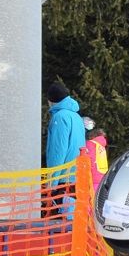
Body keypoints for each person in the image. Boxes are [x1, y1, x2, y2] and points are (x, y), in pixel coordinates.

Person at [44, 82, 85, 218]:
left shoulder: (59, 117)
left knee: (58, 222)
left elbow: (57, 152)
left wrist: (51, 184)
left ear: (51, 100)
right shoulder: (77, 117)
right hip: (77, 177)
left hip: (63, 180)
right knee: (72, 221)